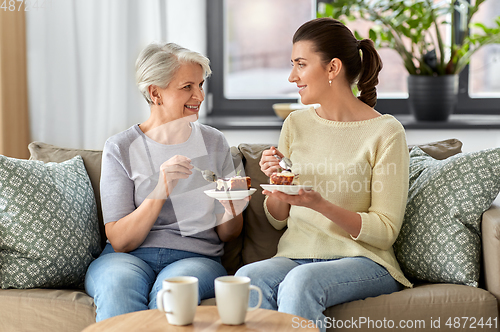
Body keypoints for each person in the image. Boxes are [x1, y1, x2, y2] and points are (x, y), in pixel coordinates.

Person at [235, 18, 412, 331]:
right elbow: (278, 218)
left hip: (363, 260)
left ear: (333, 68)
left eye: (301, 65)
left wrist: (319, 204)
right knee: (246, 279)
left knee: (301, 283)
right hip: (297, 253)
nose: (292, 76)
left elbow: (385, 231)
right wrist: (277, 188)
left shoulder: (386, 132)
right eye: (293, 65)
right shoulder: (295, 125)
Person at [85, 42, 247, 322]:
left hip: (195, 258)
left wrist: (233, 205)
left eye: (200, 84)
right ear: (155, 93)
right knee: (117, 287)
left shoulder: (214, 142)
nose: (199, 95)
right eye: (187, 87)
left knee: (170, 296)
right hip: (128, 257)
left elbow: (228, 234)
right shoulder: (121, 147)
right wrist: (161, 188)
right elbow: (121, 240)